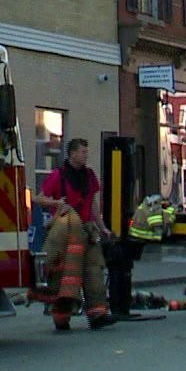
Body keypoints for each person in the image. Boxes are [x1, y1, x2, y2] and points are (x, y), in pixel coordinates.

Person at [39, 138, 113, 331]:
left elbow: (93, 204)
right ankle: (62, 318)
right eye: (82, 152)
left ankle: (98, 315)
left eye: (86, 152)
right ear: (72, 154)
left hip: (87, 230)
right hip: (67, 230)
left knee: (94, 271)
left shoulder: (89, 176)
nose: (85, 155)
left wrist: (102, 226)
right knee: (65, 275)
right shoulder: (58, 176)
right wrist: (57, 204)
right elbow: (40, 198)